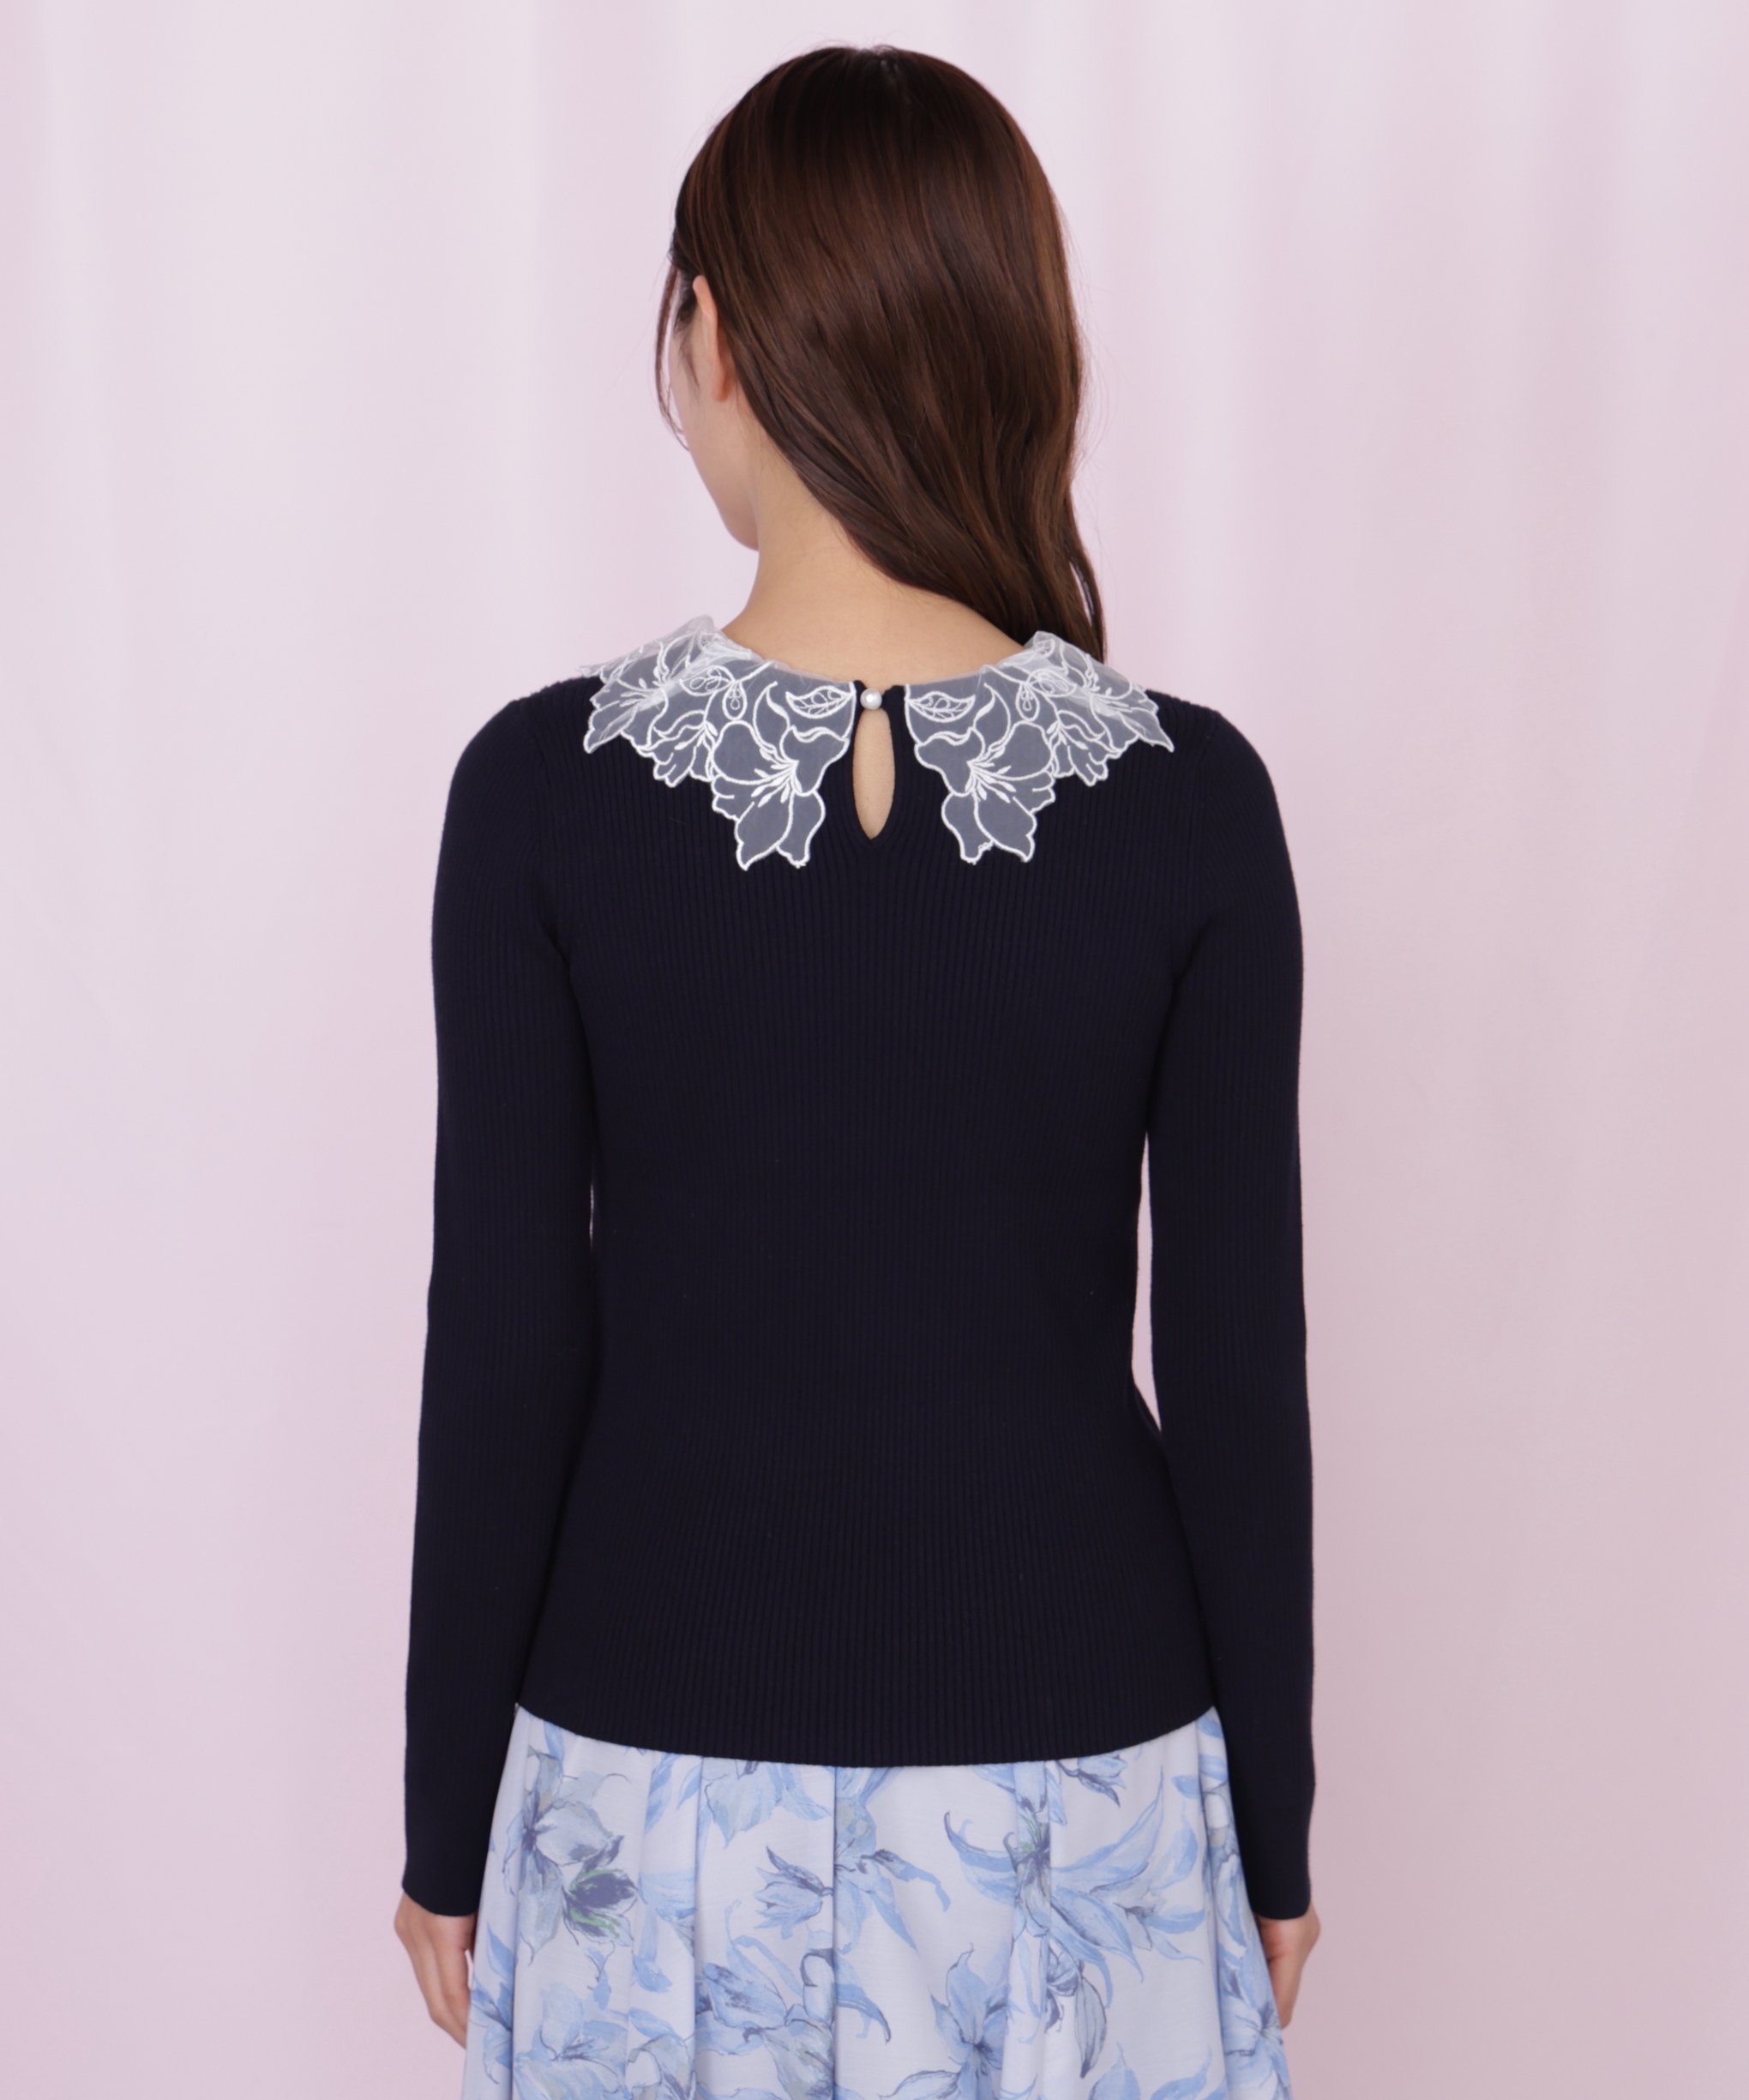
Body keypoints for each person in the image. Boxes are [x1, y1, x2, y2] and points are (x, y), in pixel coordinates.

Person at [394, 42, 1320, 2100]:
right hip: (1086, 1790)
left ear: (710, 333)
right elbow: (1238, 1373)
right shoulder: (1194, 804)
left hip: (641, 1792)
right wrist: (1274, 1826)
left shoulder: (539, 795)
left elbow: (509, 1345)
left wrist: (445, 1823)